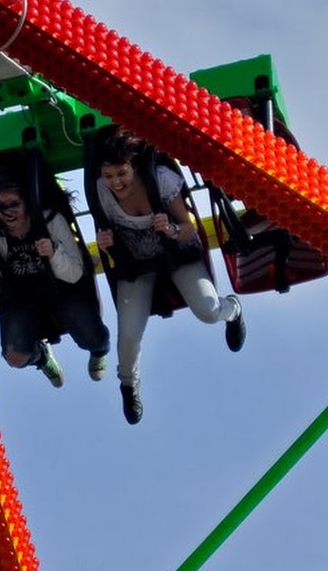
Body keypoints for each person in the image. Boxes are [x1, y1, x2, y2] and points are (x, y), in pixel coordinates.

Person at [92, 126, 246, 424]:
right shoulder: (102, 190)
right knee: (128, 336)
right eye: (109, 176)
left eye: (121, 173)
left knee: (208, 311)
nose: (116, 182)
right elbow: (109, 231)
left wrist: (172, 230)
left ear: (134, 166)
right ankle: (129, 384)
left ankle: (234, 309)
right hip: (138, 262)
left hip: (177, 253)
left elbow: (189, 227)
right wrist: (107, 243)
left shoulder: (162, 181)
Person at [0, 174, 110, 388]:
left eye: (14, 204)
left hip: (62, 289)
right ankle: (42, 357)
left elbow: (75, 272)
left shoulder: (51, 220)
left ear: (27, 204)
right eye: (2, 206)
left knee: (95, 338)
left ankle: (98, 352)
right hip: (24, 296)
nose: (8, 211)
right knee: (14, 357)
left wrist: (53, 254)